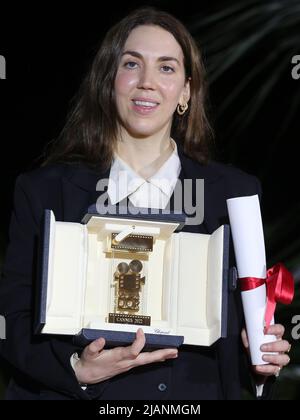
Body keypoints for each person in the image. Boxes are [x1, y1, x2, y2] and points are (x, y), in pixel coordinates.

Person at [0, 7, 291, 400]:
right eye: (132, 64)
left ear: (186, 91)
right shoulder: (44, 192)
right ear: (109, 81)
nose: (147, 82)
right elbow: (11, 321)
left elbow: (245, 343)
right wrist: (76, 368)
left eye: (167, 68)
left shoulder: (232, 195)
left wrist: (258, 362)